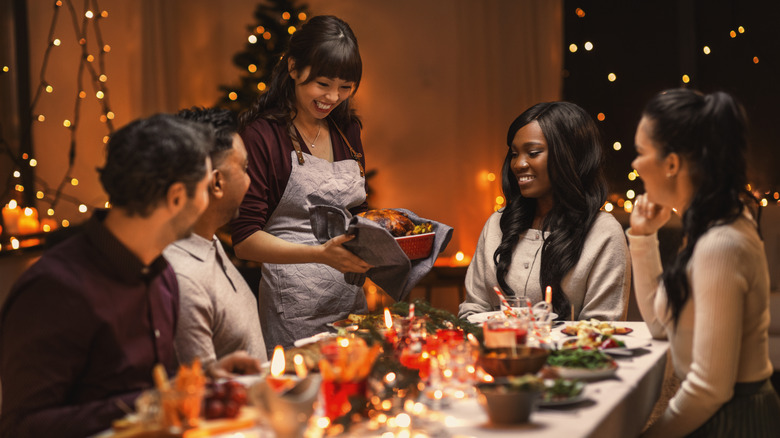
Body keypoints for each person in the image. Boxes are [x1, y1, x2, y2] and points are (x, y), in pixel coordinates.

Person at [0, 114, 257, 438]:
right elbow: (21, 427)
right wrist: (150, 402)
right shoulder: (55, 288)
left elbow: (149, 385)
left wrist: (202, 381)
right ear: (177, 197)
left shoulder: (159, 274)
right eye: (206, 187)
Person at [628, 89, 780, 437]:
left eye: (640, 152)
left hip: (735, 423)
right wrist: (643, 237)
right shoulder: (708, 225)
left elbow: (709, 389)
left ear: (671, 164)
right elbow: (660, 324)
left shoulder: (720, 244)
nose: (634, 165)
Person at [231, 15, 371, 351]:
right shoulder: (263, 135)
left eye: (345, 87)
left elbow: (359, 211)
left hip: (350, 301)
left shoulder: (346, 130)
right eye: (323, 83)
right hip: (293, 307)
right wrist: (320, 255)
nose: (333, 97)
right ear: (294, 68)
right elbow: (245, 240)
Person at [459, 102, 630, 321]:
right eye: (514, 154)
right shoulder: (498, 223)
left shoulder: (603, 233)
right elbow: (472, 310)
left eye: (533, 152)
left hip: (568, 356)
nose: (518, 164)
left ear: (570, 156)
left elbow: (601, 331)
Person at [165, 107, 267, 377]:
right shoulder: (184, 277)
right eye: (245, 168)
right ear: (217, 183)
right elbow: (202, 394)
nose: (251, 180)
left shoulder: (206, 241)